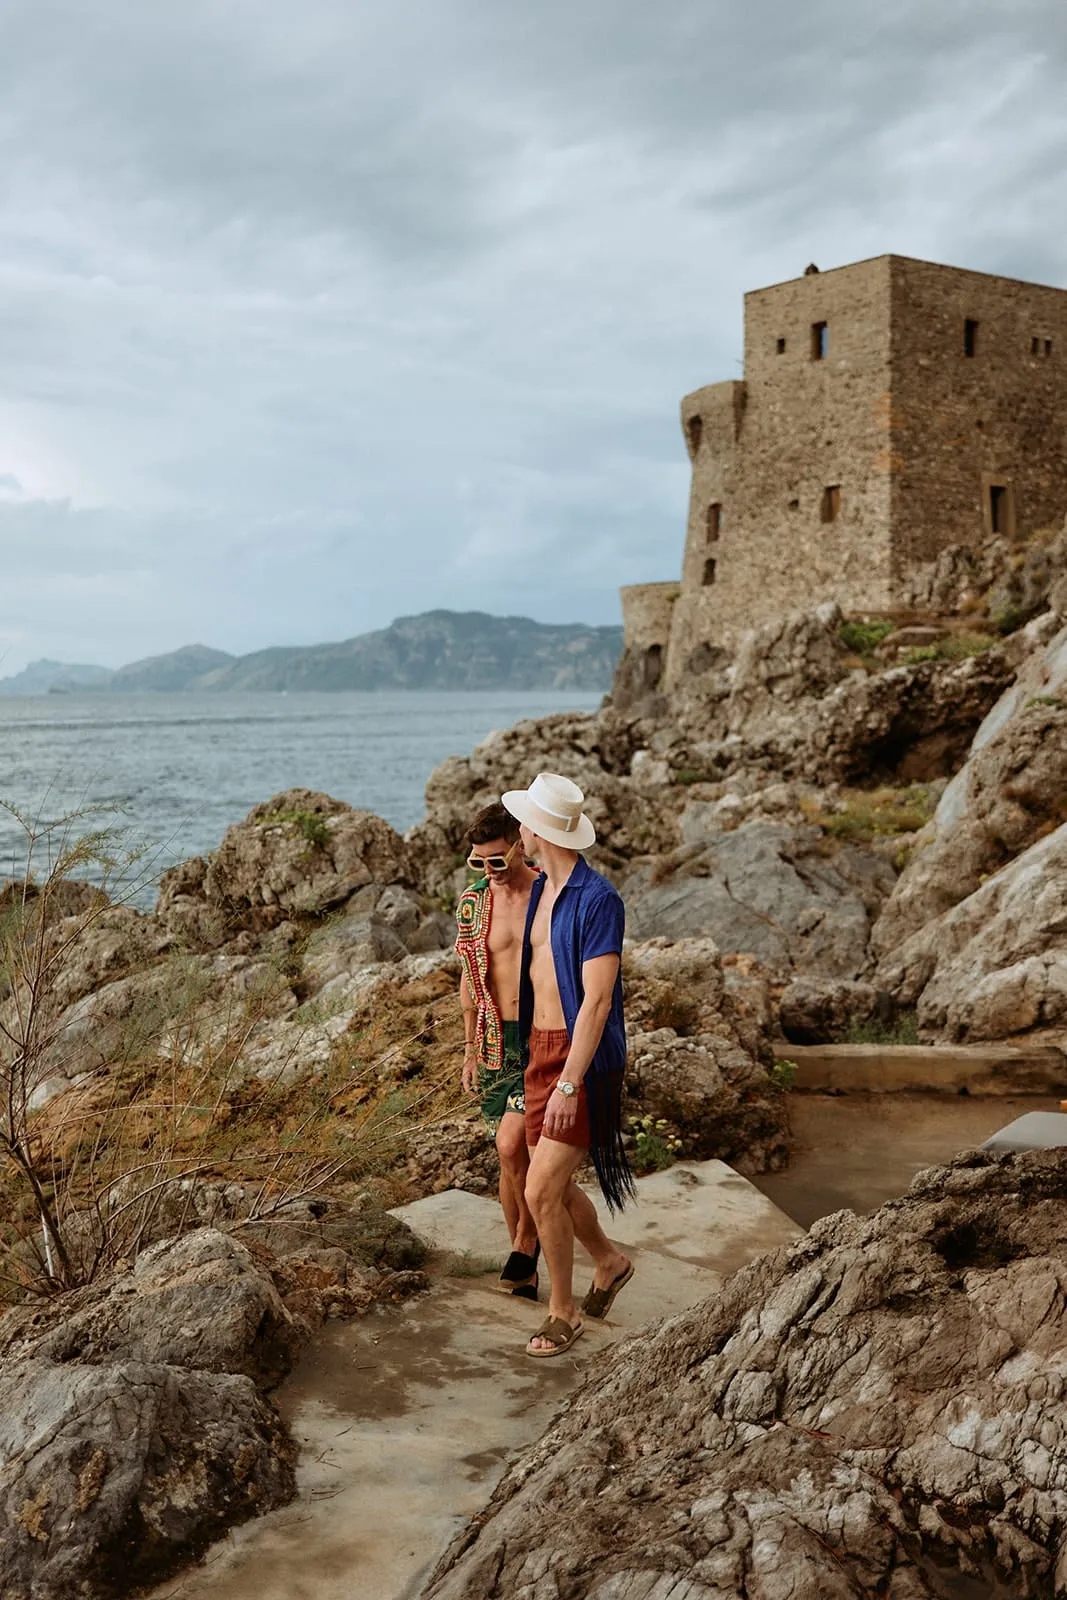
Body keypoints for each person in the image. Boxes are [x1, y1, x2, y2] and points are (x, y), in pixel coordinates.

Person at [501, 772, 635, 1358]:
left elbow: (598, 1001)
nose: (519, 829)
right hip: (538, 1048)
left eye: (525, 820)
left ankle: (562, 1313)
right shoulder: (539, 889)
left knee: (539, 1190)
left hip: (580, 1062)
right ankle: (608, 1261)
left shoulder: (598, 900)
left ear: (542, 831)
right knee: (547, 1186)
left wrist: (571, 1082)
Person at [455, 802, 542, 1297]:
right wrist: (468, 1048)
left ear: (519, 845)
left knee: (514, 1143)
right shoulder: (474, 902)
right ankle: (523, 1263)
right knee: (508, 1158)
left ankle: (527, 1243)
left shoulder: (549, 895)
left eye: (496, 861)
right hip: (492, 1039)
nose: (489, 872)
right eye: (478, 862)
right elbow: (470, 976)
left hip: (539, 1035)